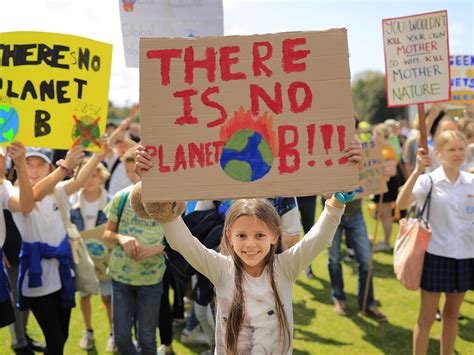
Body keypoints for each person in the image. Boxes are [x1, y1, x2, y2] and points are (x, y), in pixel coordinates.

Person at [134, 140, 362, 354]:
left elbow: (319, 238)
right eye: (241, 235)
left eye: (260, 235)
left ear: (274, 235)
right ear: (229, 236)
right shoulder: (221, 269)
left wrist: (338, 199)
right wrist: (159, 194)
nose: (250, 244)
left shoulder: (285, 267)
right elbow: (184, 243)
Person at [10, 144, 105, 355]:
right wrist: (64, 168)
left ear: (49, 167)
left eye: (40, 164)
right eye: (28, 164)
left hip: (63, 274)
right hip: (36, 278)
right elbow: (32, 197)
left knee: (62, 336)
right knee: (54, 338)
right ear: (19, 167)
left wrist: (99, 154)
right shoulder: (17, 195)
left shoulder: (58, 191)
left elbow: (79, 181)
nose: (34, 170)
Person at [396, 130, 474, 355]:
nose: (458, 154)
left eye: (461, 149)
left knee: (451, 315)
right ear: (438, 154)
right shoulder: (428, 181)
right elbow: (401, 203)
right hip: (436, 255)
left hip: (466, 255)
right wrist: (417, 171)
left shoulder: (470, 181)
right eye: (451, 149)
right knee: (427, 318)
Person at [103, 149, 166, 355]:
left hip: (151, 279)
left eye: (139, 170)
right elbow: (107, 234)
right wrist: (121, 238)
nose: (135, 175)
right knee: (121, 338)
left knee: (147, 338)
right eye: (130, 171)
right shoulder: (121, 198)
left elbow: (175, 242)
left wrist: (155, 250)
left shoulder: (166, 201)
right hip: (122, 277)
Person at [69, 158, 116, 352]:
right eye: (86, 175)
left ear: (101, 177)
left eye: (94, 175)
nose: (90, 180)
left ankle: (113, 334)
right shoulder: (73, 202)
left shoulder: (111, 201)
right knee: (85, 296)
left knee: (108, 298)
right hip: (82, 258)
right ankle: (88, 332)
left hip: (106, 258)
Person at [326, 196, 387, 321]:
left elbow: (371, 179)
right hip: (332, 213)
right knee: (334, 259)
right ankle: (339, 299)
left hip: (355, 214)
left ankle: (368, 303)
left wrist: (381, 178)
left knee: (366, 260)